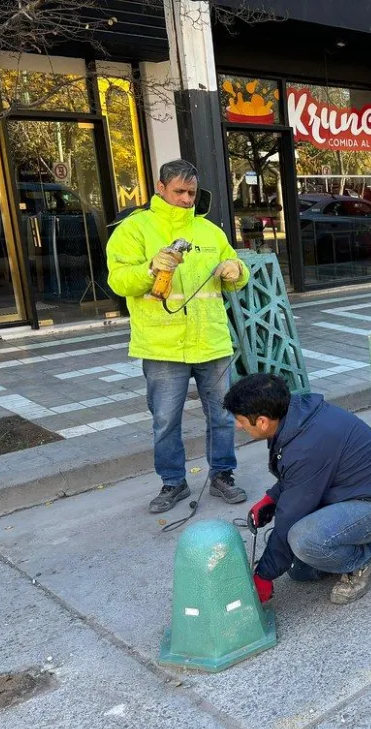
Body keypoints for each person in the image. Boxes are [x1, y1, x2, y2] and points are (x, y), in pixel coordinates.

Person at [106, 159, 251, 514]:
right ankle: (173, 482)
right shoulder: (135, 229)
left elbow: (238, 273)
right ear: (160, 188)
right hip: (162, 344)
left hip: (211, 339)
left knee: (221, 415)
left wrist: (236, 270)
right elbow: (118, 281)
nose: (187, 199)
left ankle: (222, 475)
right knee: (165, 420)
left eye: (191, 192)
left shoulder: (209, 231)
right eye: (179, 192)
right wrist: (149, 267)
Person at [223, 373, 371, 606]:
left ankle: (363, 558)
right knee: (299, 570)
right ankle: (370, 533)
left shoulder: (307, 444)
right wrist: (271, 499)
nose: (238, 425)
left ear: (262, 421)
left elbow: (291, 514)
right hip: (355, 492)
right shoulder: (294, 417)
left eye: (240, 420)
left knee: (303, 540)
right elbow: (299, 479)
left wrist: (263, 576)